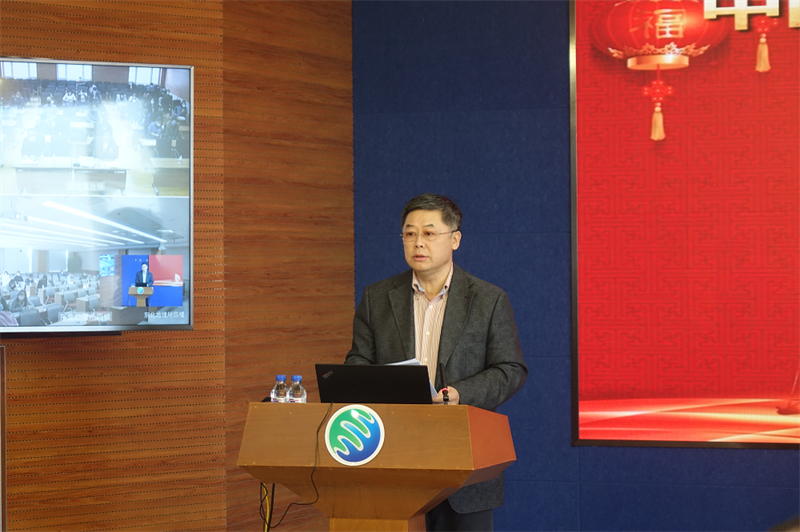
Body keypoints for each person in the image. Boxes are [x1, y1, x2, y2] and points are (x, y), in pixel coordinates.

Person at [344, 193, 528, 531]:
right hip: (395, 457)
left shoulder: (488, 299)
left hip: (466, 463)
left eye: (429, 233)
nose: (418, 242)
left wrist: (460, 394)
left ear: (454, 239)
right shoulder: (377, 297)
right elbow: (358, 361)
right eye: (410, 233)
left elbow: (510, 370)